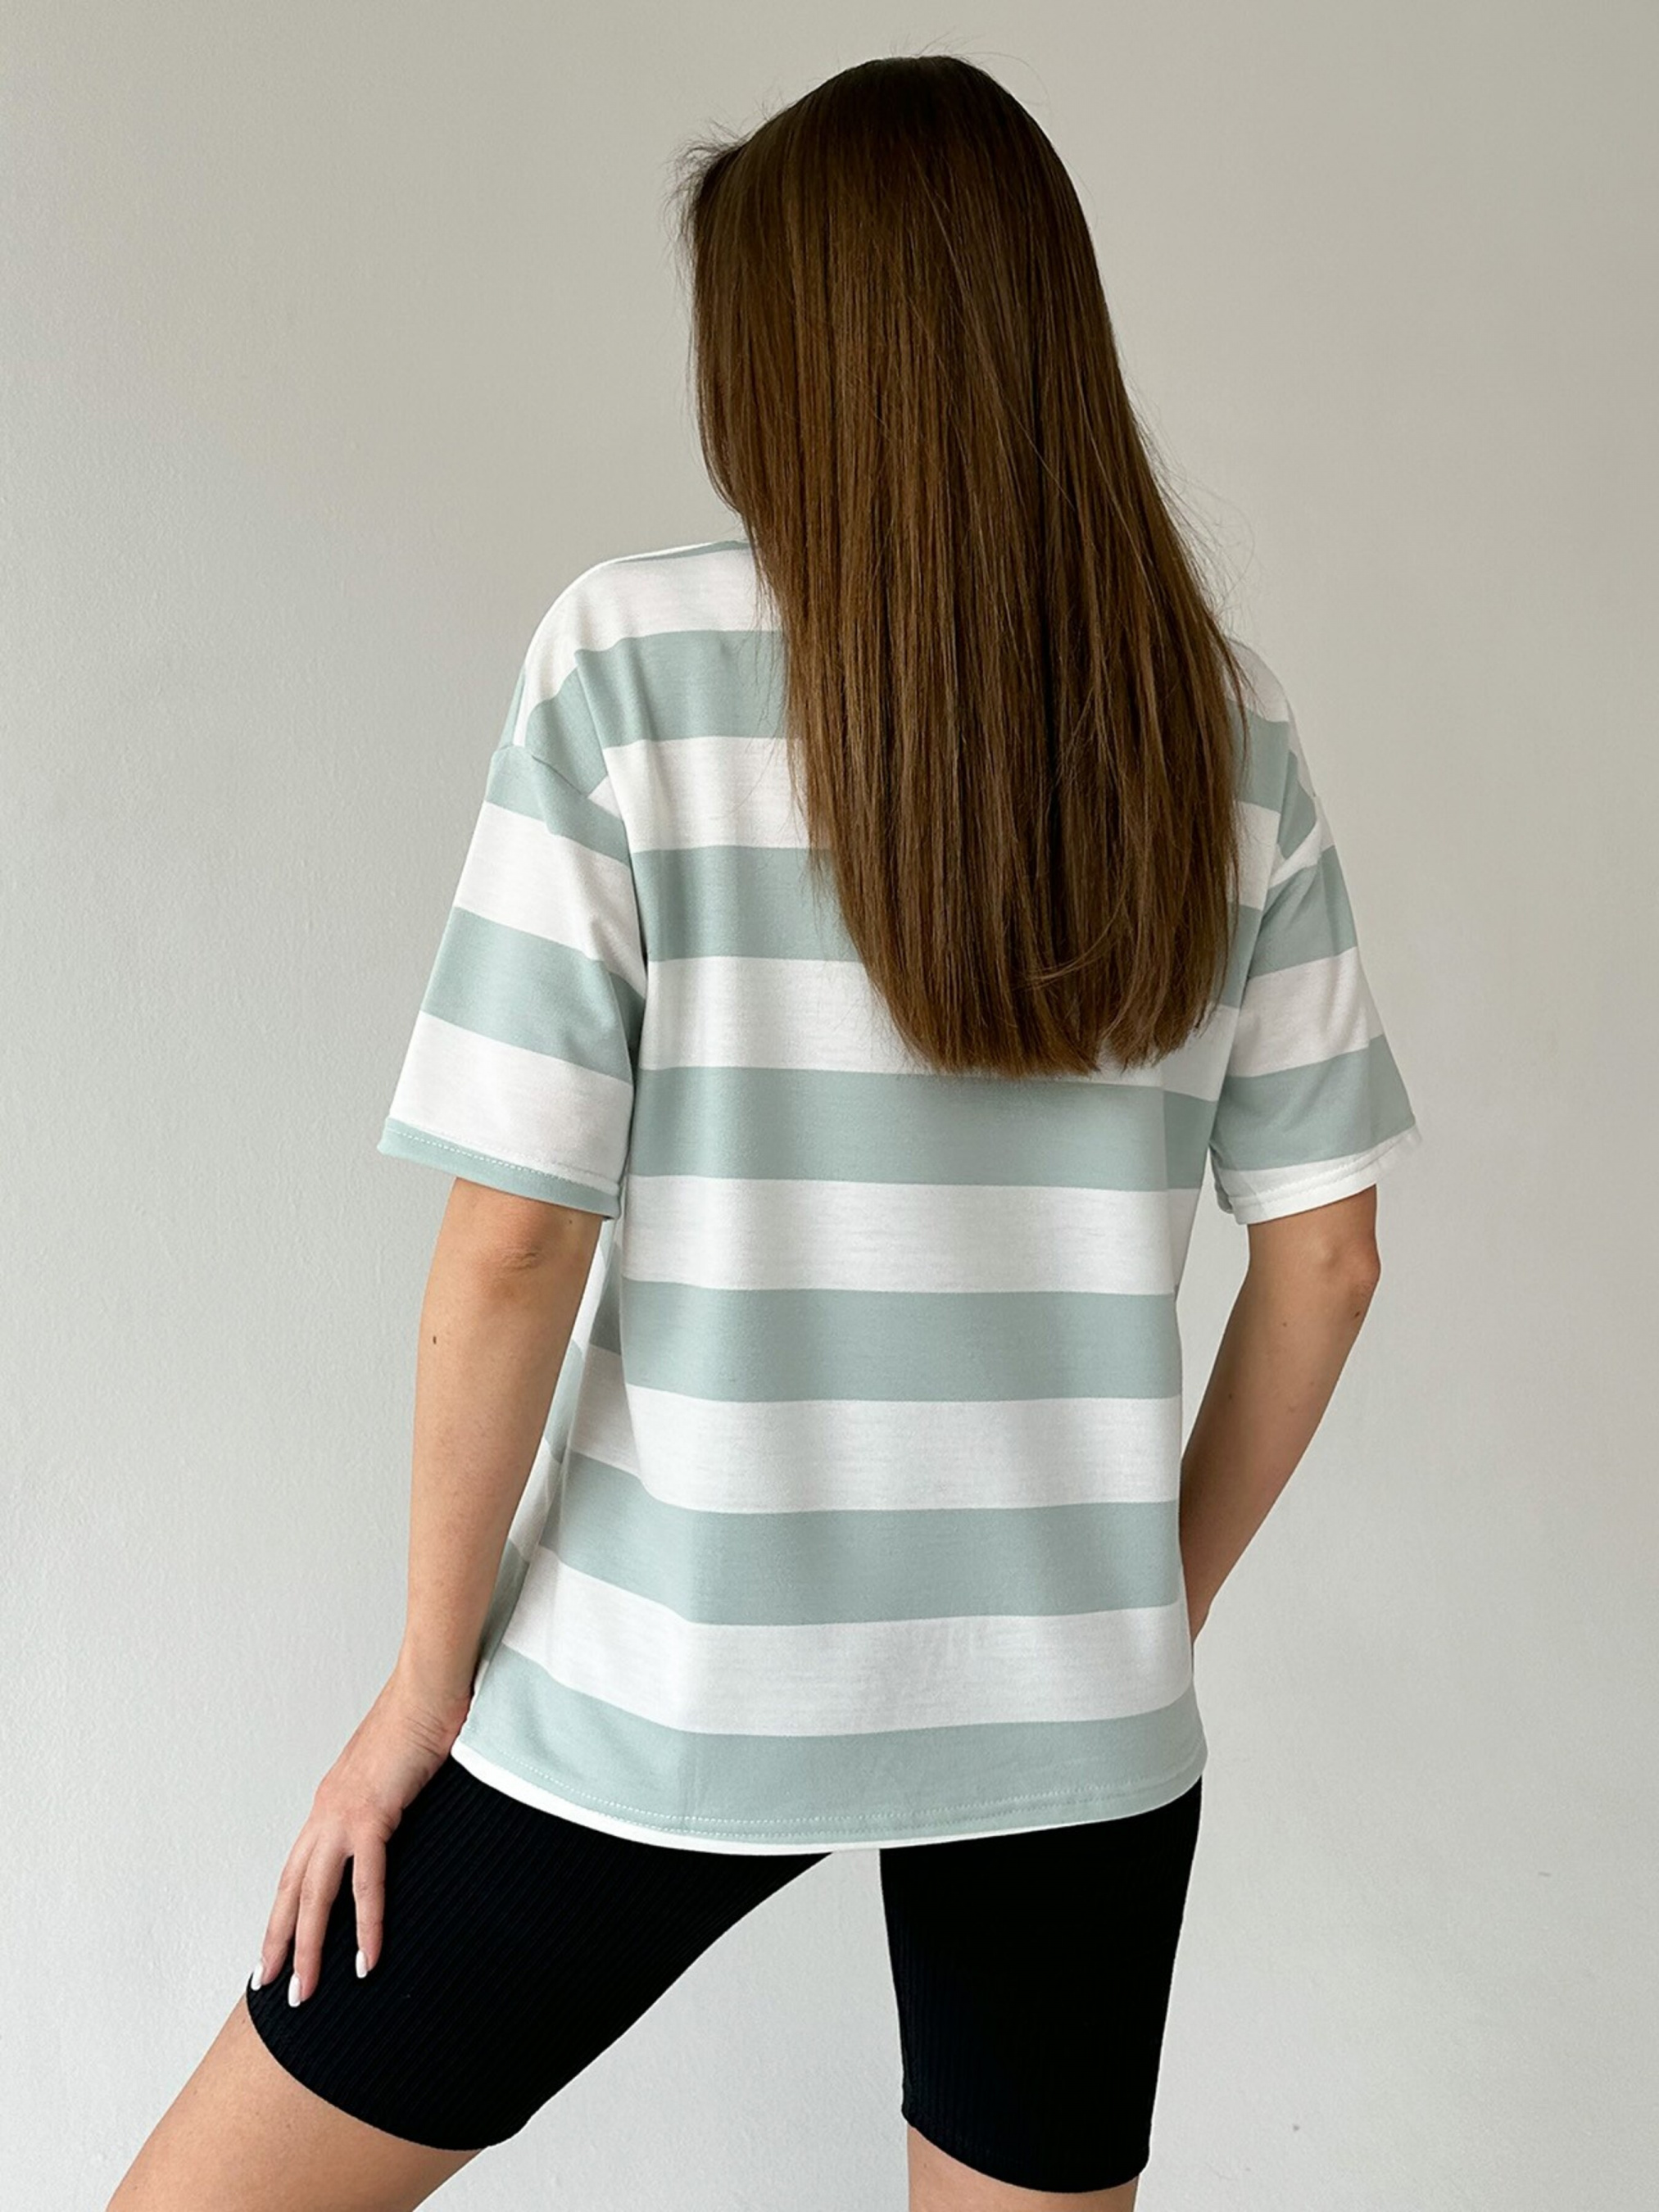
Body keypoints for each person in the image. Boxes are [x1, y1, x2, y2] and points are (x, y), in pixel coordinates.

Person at [109, 51, 1420, 2212]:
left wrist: (419, 1696)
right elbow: (1328, 1258)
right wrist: (1126, 1619)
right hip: (1071, 1722)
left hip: (665, 1674)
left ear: (792, 356)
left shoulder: (631, 662)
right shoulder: (1218, 720)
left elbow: (512, 1244)